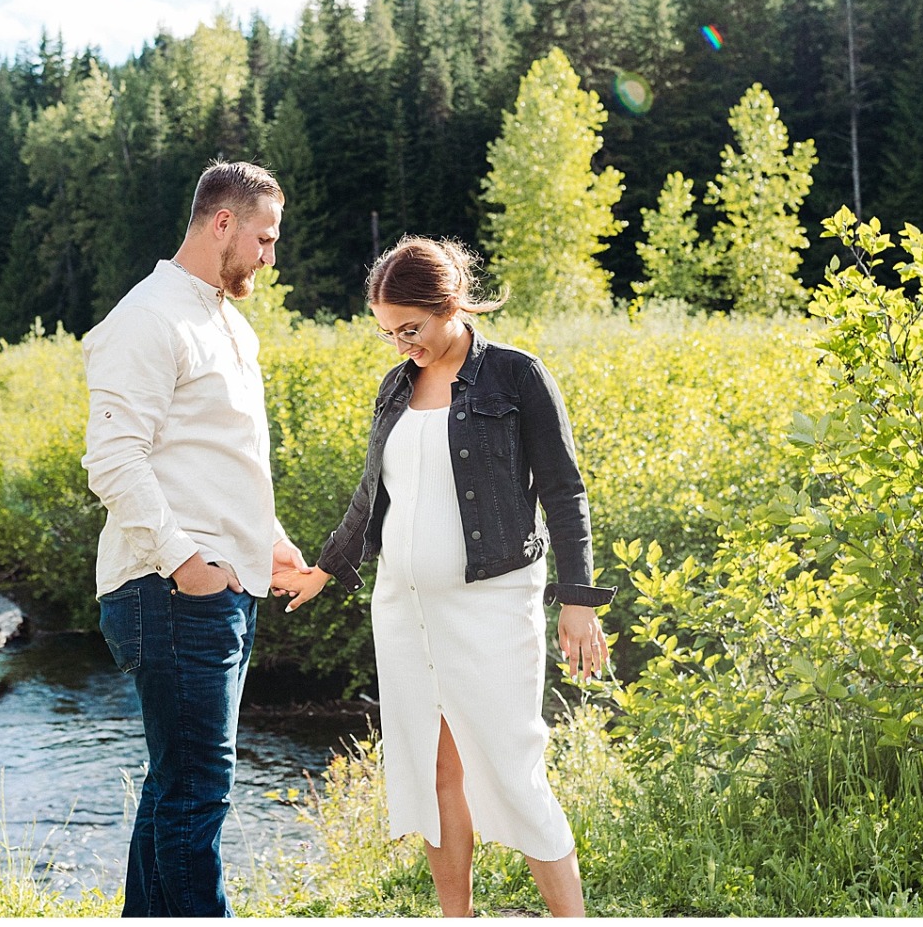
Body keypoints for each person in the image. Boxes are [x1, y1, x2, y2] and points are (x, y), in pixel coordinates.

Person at [275, 236, 613, 918]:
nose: (402, 344)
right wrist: (324, 567)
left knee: (514, 774)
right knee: (433, 774)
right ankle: (454, 916)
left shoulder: (517, 376)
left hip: (492, 605)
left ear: (450, 303)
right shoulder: (395, 387)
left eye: (411, 327)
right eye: (388, 332)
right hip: (402, 608)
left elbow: (565, 490)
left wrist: (577, 598)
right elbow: (373, 493)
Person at [82, 160, 309, 918]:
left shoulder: (228, 323)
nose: (269, 257)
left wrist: (267, 541)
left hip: (219, 590)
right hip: (171, 590)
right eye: (264, 238)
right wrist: (188, 564)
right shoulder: (147, 317)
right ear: (222, 223)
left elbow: (223, 460)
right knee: (197, 791)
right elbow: (112, 458)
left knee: (178, 787)